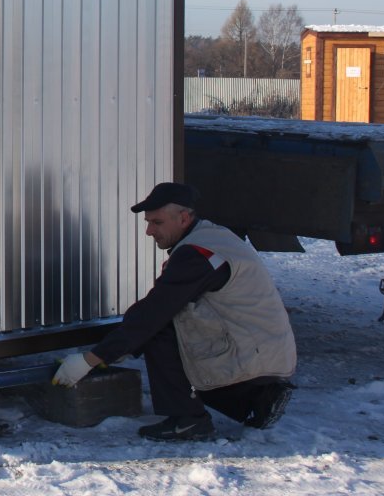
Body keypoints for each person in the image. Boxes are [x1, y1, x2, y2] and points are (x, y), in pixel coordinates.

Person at [52, 182, 297, 441]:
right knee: (163, 322)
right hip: (265, 357)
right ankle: (254, 401)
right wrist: (120, 348)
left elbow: (153, 313)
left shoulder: (197, 255)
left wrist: (90, 359)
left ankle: (188, 419)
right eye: (148, 222)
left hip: (251, 361)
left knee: (160, 327)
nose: (149, 231)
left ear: (183, 218)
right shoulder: (214, 237)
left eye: (157, 222)